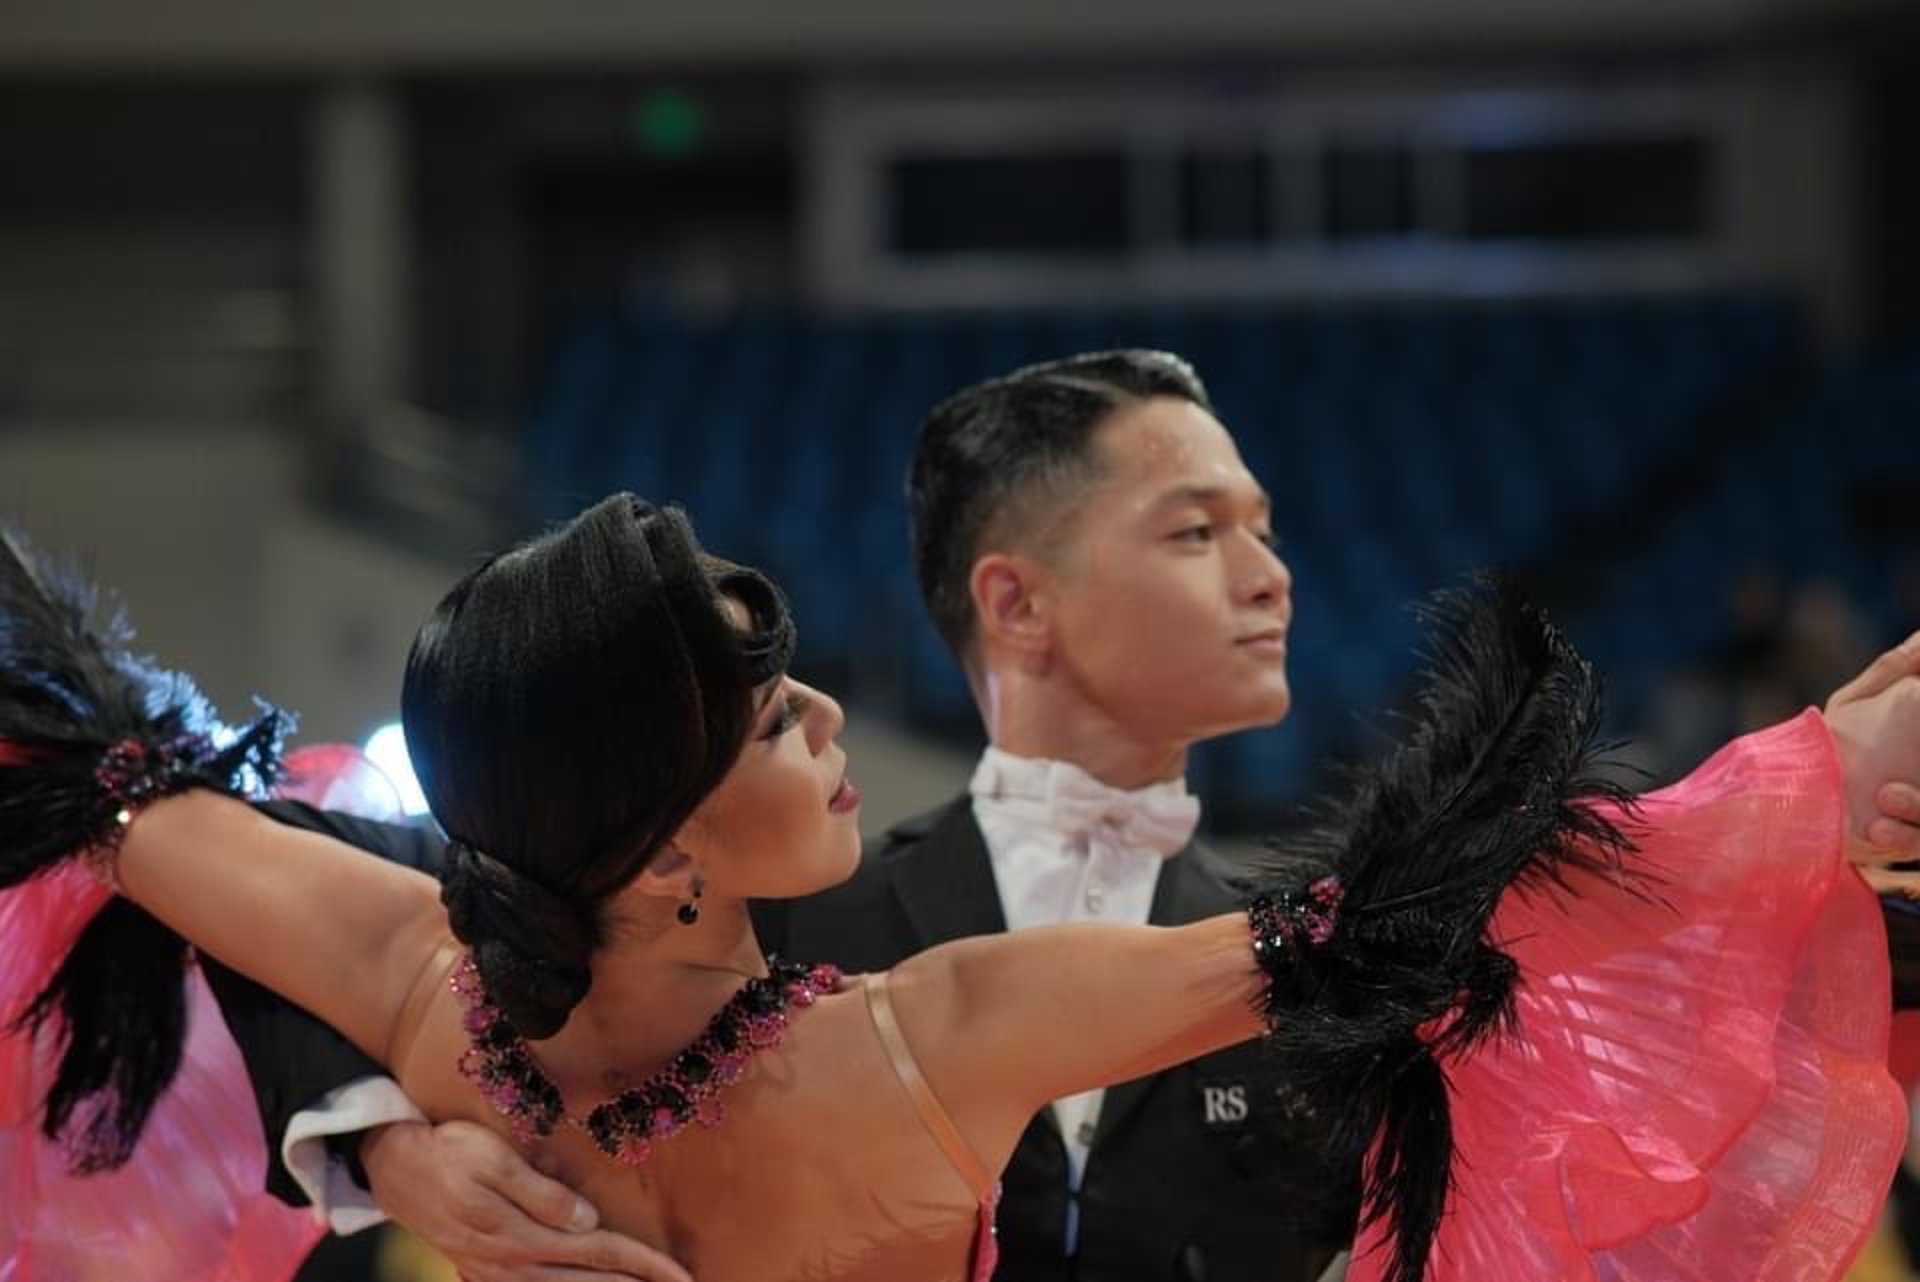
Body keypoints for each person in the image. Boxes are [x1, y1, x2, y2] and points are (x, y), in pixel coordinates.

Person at [4, 498, 1920, 1282]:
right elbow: (1395, 928)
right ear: (665, 859)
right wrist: (1794, 788)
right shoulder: (931, 1040)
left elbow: (104, 776)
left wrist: (402, 1136)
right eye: (768, 718)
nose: (833, 710)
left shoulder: (420, 986)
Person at [240, 350, 1358, 1282]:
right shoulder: (746, 915)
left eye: (1263, 529)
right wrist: (390, 1145)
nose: (1273, 577)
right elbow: (307, 883)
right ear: (1015, 600)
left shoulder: (1320, 962)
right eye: (1197, 532)